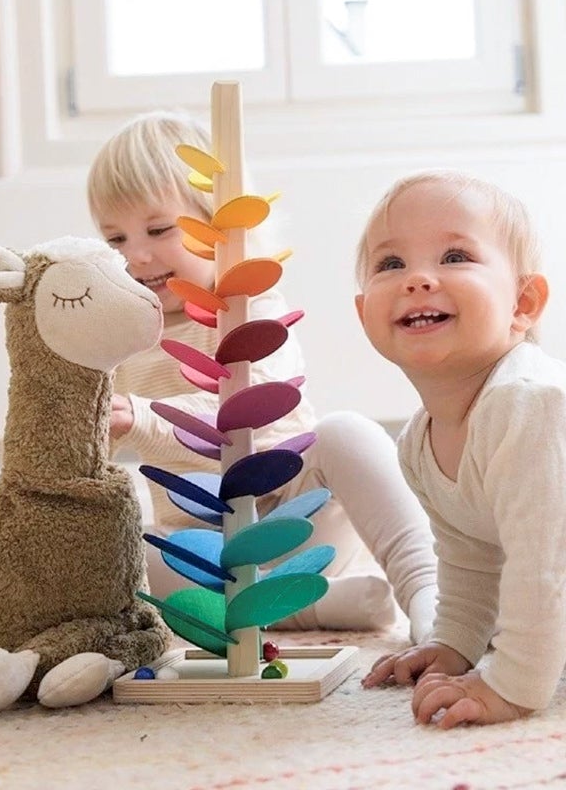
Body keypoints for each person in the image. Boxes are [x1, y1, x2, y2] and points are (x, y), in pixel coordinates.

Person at [86, 110, 438, 642]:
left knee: (346, 433)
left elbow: (252, 418)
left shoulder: (252, 305)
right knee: (119, 552)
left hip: (298, 519)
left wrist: (142, 417)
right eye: (114, 238)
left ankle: (424, 586)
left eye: (159, 229)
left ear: (218, 223)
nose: (137, 254)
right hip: (208, 552)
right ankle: (310, 605)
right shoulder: (124, 336)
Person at [356, 169, 566, 728]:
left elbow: (544, 565)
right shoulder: (418, 442)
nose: (418, 279)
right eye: (391, 264)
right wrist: (454, 643)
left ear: (523, 303)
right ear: (363, 312)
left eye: (455, 257)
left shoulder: (528, 403)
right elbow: (470, 556)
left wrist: (512, 685)